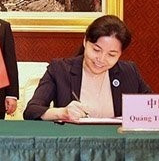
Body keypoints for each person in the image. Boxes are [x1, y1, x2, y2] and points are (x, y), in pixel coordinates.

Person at [23, 15, 152, 121]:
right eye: (96, 50)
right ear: (85, 42)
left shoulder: (129, 72)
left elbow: (154, 108)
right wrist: (62, 113)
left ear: (120, 54)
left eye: (111, 54)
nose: (101, 59)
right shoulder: (60, 70)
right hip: (73, 146)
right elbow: (31, 111)